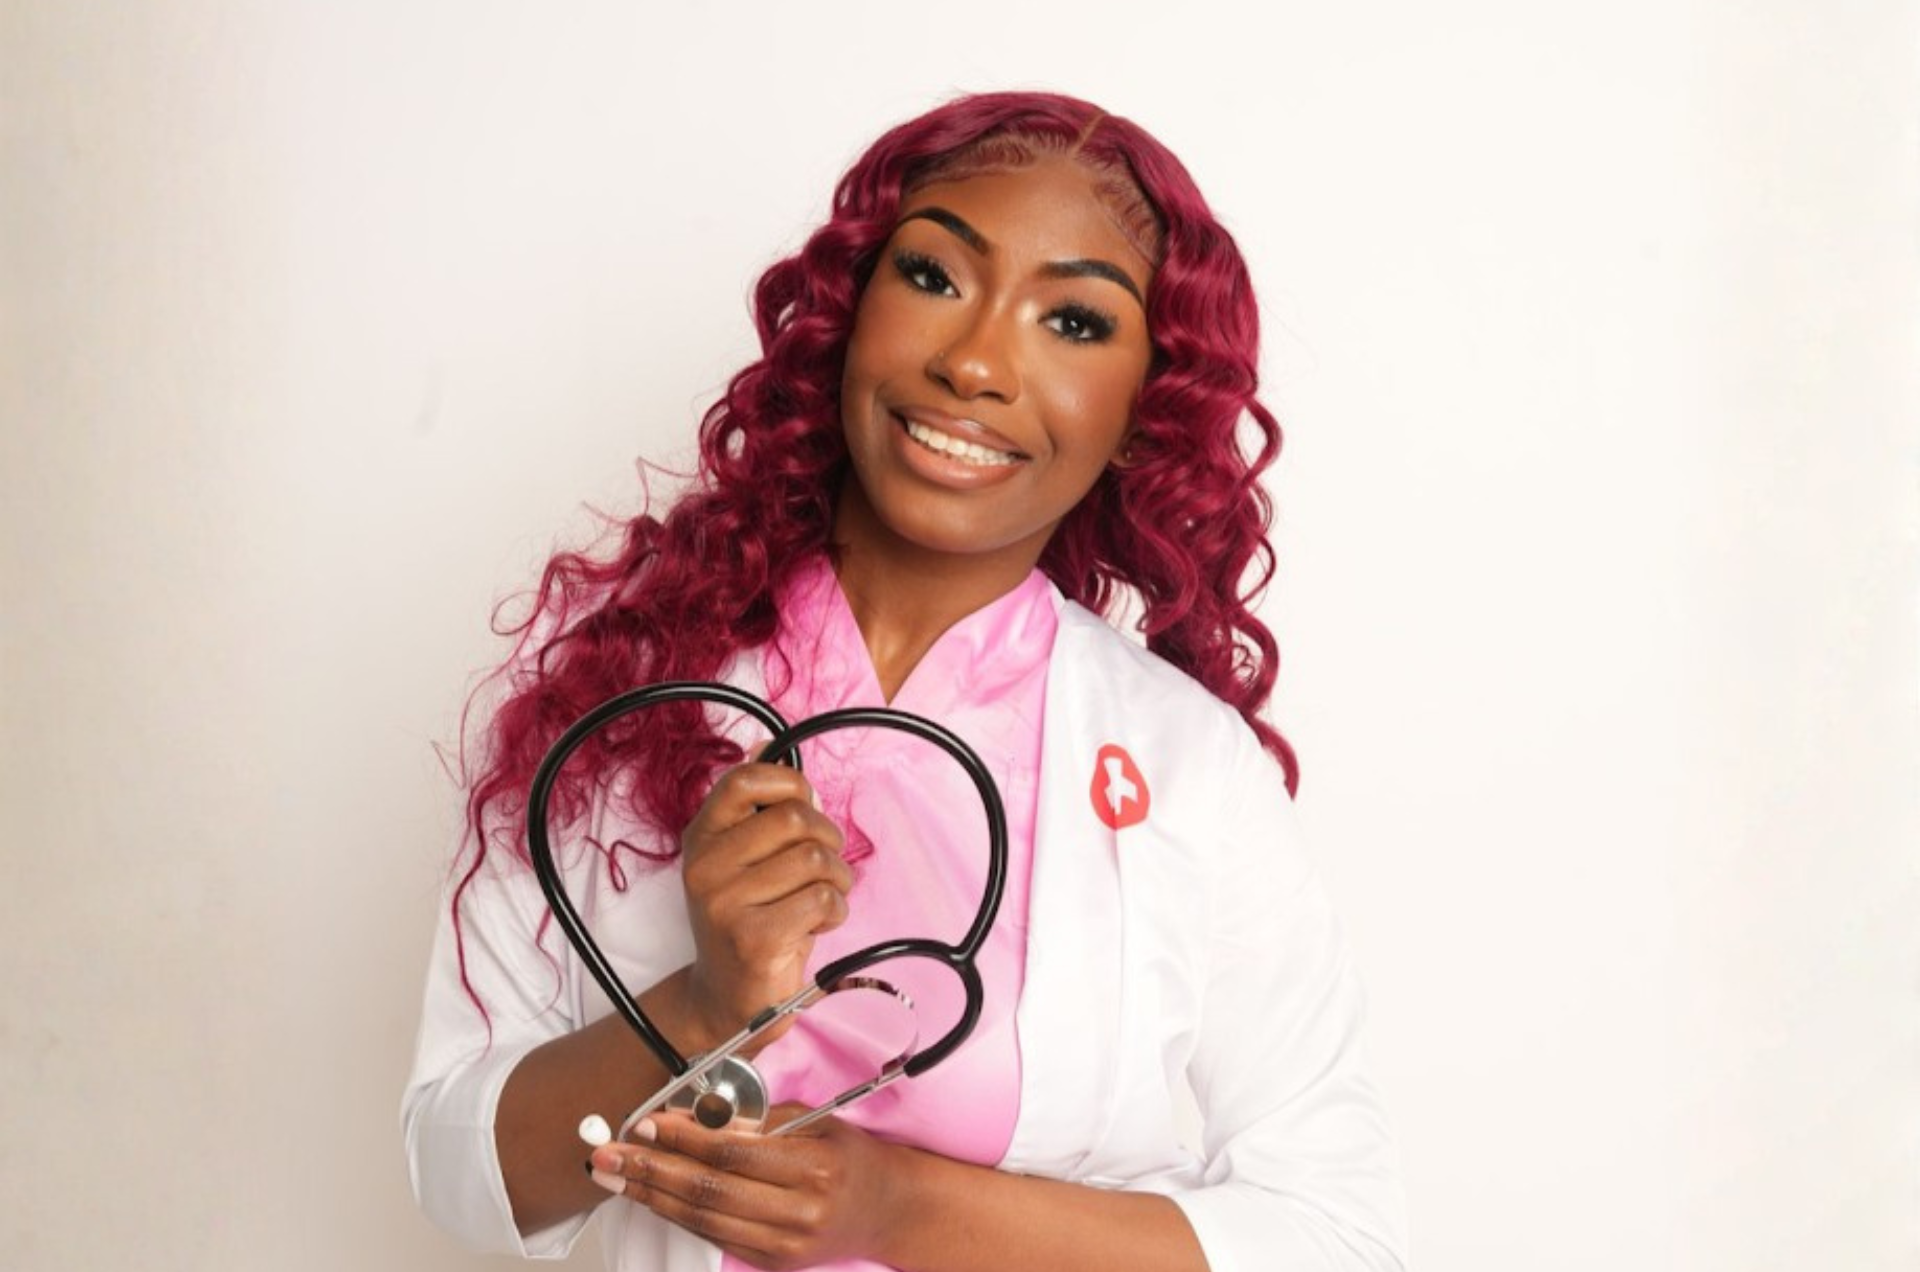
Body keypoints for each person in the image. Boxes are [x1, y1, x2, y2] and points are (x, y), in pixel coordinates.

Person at [403, 91, 1407, 1272]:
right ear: (846, 316)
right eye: (934, 278)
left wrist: (896, 1210)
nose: (976, 362)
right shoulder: (630, 696)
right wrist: (701, 1006)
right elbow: (463, 1175)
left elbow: (1339, 1236)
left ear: (1143, 414)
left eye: (1074, 322)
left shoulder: (1185, 769)